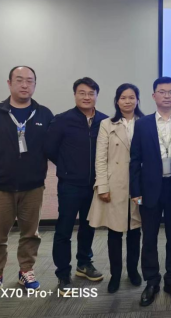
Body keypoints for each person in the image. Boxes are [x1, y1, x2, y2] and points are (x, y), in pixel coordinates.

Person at [0, 66, 54, 303]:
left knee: (30, 234)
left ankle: (25, 271)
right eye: (19, 80)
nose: (24, 85)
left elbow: (52, 146)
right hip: (1, 186)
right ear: (9, 83)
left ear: (35, 84)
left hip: (33, 186)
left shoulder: (44, 114)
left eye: (30, 81)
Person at [130, 77, 171, 307]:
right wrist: (135, 190)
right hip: (149, 189)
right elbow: (135, 159)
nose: (167, 96)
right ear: (154, 96)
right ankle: (151, 281)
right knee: (149, 238)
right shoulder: (143, 124)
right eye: (162, 92)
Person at [45, 77, 108, 294]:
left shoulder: (104, 121)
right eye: (82, 93)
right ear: (75, 95)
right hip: (70, 185)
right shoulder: (62, 120)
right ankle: (63, 273)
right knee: (64, 230)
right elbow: (50, 149)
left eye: (91, 93)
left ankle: (84, 263)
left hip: (94, 186)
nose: (86, 97)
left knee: (89, 227)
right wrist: (67, 168)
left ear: (97, 96)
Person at [87, 83, 144, 293]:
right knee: (114, 233)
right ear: (117, 101)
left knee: (135, 230)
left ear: (137, 100)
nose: (127, 101)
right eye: (123, 97)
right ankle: (115, 274)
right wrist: (102, 185)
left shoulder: (145, 123)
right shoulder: (106, 124)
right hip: (114, 185)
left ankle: (133, 271)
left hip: (139, 186)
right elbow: (100, 158)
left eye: (131, 97)